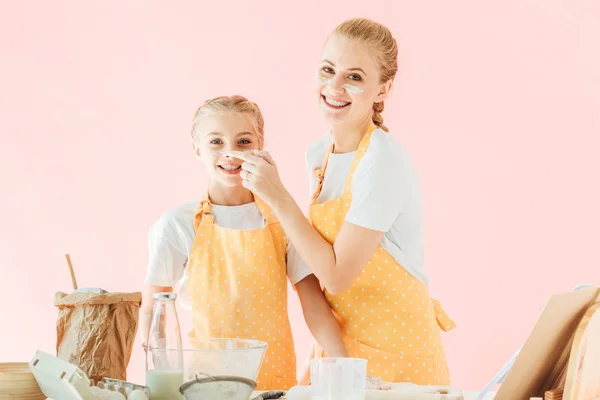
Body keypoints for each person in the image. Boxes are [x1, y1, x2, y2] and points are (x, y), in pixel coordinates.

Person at [234, 19, 456, 385]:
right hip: (341, 346)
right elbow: (315, 254)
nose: (334, 86)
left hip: (397, 351)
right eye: (328, 70)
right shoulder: (319, 154)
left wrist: (276, 195)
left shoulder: (382, 161)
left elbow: (336, 277)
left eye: (354, 77)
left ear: (383, 89)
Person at [141, 95, 347, 390]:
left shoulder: (283, 220)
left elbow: (314, 303)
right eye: (216, 142)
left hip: (273, 381)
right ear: (196, 149)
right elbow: (154, 310)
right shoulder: (177, 224)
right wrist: (160, 382)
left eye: (243, 142)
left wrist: (347, 369)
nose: (230, 153)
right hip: (205, 384)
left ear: (260, 144)